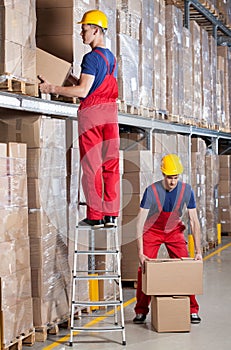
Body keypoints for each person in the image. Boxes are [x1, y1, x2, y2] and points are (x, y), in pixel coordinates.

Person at [39, 10, 120, 229]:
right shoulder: (111, 58)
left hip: (92, 116)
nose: (81, 33)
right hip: (111, 115)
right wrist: (68, 80)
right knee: (110, 165)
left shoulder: (90, 57)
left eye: (84, 29)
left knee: (92, 166)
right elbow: (93, 85)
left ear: (96, 30)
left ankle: (95, 215)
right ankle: (110, 215)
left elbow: (84, 92)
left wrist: (52, 88)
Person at [133, 154, 203, 325]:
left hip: (173, 230)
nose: (173, 181)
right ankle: (141, 310)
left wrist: (199, 251)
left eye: (175, 177)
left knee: (185, 266)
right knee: (144, 269)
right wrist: (141, 253)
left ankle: (192, 309)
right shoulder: (151, 191)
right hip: (153, 230)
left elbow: (194, 221)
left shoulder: (187, 190)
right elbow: (139, 223)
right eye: (169, 177)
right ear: (163, 174)